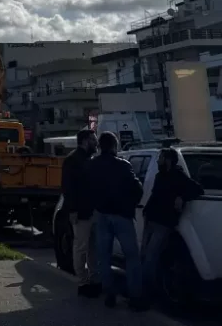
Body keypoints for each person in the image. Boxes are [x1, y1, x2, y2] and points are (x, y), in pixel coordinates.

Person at [89, 131, 145, 310]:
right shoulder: (123, 165)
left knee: (103, 257)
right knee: (132, 257)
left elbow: (87, 189)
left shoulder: (93, 165)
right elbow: (137, 188)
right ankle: (135, 297)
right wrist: (131, 204)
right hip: (122, 215)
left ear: (100, 146)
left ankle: (110, 294)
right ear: (114, 145)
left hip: (102, 214)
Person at [141, 147, 204, 299]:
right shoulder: (159, 176)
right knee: (144, 255)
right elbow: (155, 195)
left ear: (168, 160)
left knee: (151, 256)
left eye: (160, 158)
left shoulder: (178, 176)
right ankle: (144, 287)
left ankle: (146, 291)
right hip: (151, 219)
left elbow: (198, 190)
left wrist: (181, 197)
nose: (158, 160)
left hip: (164, 222)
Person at [61, 129, 99, 296]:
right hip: (81, 212)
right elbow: (68, 188)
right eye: (93, 140)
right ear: (85, 141)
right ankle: (83, 283)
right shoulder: (72, 160)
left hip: (92, 211)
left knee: (92, 248)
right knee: (81, 247)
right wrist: (73, 210)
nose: (96, 143)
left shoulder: (89, 159)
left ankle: (93, 280)